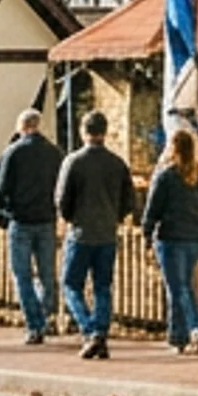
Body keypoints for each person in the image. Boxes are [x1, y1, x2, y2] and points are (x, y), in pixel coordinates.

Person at [56, 112, 134, 361]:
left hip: (80, 232)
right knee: (103, 286)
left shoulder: (74, 162)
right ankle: (100, 330)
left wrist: (69, 217)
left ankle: (89, 329)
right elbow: (129, 199)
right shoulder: (117, 163)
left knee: (71, 285)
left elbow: (62, 198)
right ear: (105, 131)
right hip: (107, 233)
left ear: (83, 131)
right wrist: (117, 216)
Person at [0, 109, 65, 344]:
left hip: (21, 220)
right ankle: (48, 316)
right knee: (47, 273)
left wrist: (2, 216)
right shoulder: (55, 154)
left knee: (22, 275)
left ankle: (34, 324)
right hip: (46, 220)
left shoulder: (12, 153)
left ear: (20, 127)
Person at [144, 127, 198, 353]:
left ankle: (194, 328)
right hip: (196, 237)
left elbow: (153, 209)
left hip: (171, 236)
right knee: (180, 285)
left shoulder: (166, 176)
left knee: (178, 286)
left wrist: (147, 234)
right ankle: (177, 337)